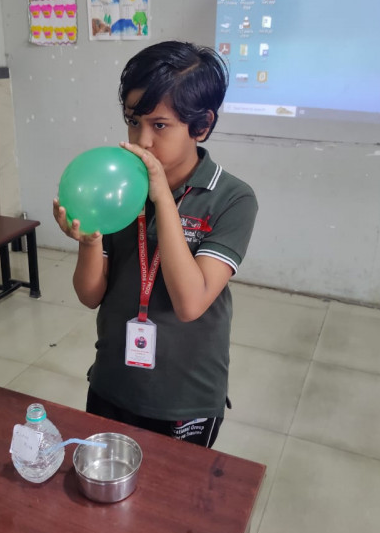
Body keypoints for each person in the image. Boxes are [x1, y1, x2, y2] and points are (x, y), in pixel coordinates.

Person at [53, 40, 258, 448]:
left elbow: (190, 303)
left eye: (159, 125)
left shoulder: (232, 198)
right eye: (133, 122)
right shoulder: (118, 188)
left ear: (201, 125)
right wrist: (90, 241)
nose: (142, 140)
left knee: (175, 490)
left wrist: (163, 197)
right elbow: (90, 295)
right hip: (114, 381)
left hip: (186, 395)